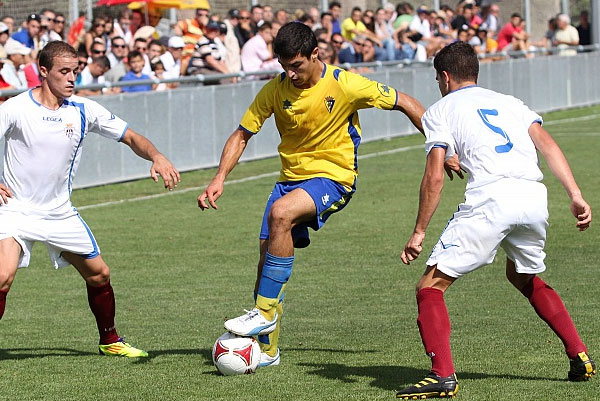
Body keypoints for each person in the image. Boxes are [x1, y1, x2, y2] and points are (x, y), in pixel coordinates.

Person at [198, 22, 428, 368]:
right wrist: (219, 177)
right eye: (283, 66)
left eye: (296, 66)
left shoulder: (345, 84)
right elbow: (242, 134)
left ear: (315, 54)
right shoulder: (275, 90)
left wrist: (442, 147)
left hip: (334, 178)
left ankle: (262, 314)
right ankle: (269, 351)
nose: (290, 73)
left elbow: (405, 102)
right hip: (289, 180)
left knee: (280, 214)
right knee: (265, 271)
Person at [396, 41, 595, 399]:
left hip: (491, 199)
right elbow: (547, 144)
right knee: (521, 274)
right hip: (533, 197)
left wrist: (419, 231)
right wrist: (576, 194)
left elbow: (434, 177)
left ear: (444, 77)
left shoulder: (440, 109)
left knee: (430, 285)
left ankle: (442, 375)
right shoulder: (509, 102)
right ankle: (578, 353)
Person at [0, 41, 180, 357]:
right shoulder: (15, 108)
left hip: (59, 213)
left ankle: (110, 341)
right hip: (15, 209)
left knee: (100, 274)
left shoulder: (85, 109)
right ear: (43, 71)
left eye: (76, 72)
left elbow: (131, 137)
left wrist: (157, 155)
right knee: (2, 274)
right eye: (64, 72)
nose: (72, 78)